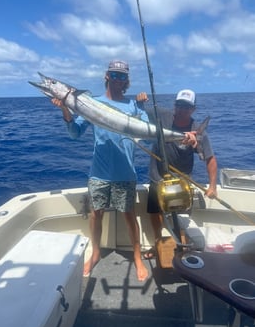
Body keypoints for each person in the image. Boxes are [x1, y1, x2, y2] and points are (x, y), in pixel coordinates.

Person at [51, 60, 150, 281]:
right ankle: (95, 253)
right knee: (96, 214)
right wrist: (65, 110)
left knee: (129, 215)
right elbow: (75, 133)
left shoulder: (133, 106)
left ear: (127, 80)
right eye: (114, 75)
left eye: (122, 76)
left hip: (125, 173)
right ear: (106, 76)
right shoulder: (90, 103)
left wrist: (142, 109)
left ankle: (137, 256)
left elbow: (148, 138)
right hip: (99, 173)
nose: (118, 79)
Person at [144, 89, 218, 259]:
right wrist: (141, 101)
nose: (182, 109)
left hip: (181, 183)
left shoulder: (198, 133)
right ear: (174, 105)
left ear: (193, 109)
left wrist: (213, 186)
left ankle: (183, 249)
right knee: (155, 213)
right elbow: (137, 113)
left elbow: (210, 159)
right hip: (158, 178)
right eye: (179, 105)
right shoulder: (161, 116)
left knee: (182, 218)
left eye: (186, 106)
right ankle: (158, 243)